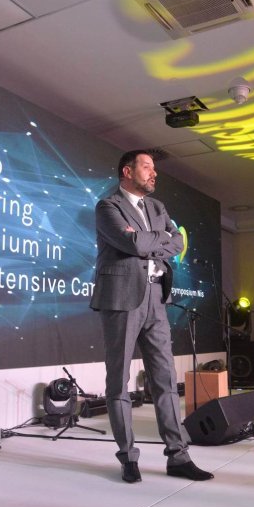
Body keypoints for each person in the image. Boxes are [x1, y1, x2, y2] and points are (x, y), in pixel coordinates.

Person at [90, 150, 212, 484]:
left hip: (156, 298)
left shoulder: (158, 207)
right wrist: (155, 240)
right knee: (119, 381)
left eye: (154, 168)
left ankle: (178, 456)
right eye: (147, 167)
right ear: (127, 171)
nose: (153, 173)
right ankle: (128, 458)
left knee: (166, 380)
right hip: (121, 299)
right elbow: (132, 243)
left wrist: (149, 240)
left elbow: (178, 242)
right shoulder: (108, 206)